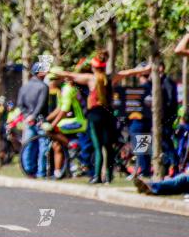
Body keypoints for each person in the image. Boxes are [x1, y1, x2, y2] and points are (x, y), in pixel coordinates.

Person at [51, 55, 148, 183]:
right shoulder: (110, 78)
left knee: (98, 147)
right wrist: (145, 69)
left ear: (93, 67)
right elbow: (127, 73)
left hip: (94, 115)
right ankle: (108, 176)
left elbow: (70, 75)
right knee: (108, 146)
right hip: (108, 114)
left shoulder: (91, 79)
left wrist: (52, 71)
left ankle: (97, 176)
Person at [42, 68, 87, 179]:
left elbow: (64, 110)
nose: (51, 82)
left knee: (51, 131)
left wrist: (52, 125)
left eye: (53, 79)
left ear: (60, 78)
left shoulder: (67, 89)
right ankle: (58, 173)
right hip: (69, 120)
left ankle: (71, 146)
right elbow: (59, 108)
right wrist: (46, 119)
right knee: (56, 145)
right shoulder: (62, 89)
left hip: (77, 121)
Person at [17, 62, 50, 178]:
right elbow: (41, 104)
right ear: (40, 73)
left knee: (28, 145)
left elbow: (20, 105)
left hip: (28, 121)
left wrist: (28, 116)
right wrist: (34, 115)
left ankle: (28, 171)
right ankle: (41, 172)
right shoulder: (43, 87)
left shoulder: (24, 87)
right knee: (43, 146)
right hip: (40, 121)